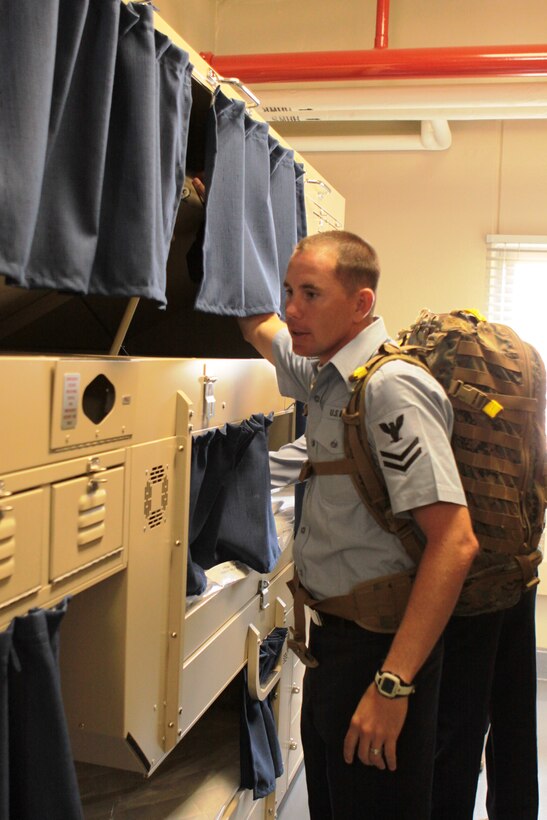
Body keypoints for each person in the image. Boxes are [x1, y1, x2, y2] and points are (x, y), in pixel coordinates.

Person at [238, 230, 478, 819]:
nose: (293, 308)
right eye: (289, 290)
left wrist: (393, 684)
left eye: (311, 293)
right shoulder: (324, 373)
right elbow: (260, 326)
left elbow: (455, 540)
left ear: (361, 304)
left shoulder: (390, 389)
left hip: (384, 653)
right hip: (335, 645)